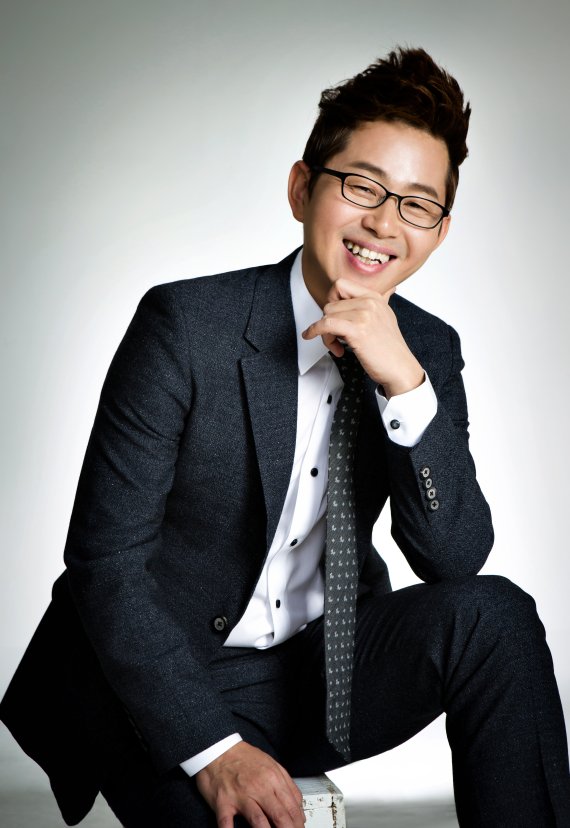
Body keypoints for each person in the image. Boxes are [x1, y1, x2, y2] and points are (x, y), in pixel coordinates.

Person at [2, 46, 569, 828]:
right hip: (162, 679)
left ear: (439, 232)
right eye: (362, 186)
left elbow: (455, 559)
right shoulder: (184, 327)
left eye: (416, 205)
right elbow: (106, 566)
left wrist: (405, 386)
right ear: (303, 188)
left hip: (318, 676)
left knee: (497, 618)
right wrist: (214, 750)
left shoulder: (427, 350)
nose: (383, 223)